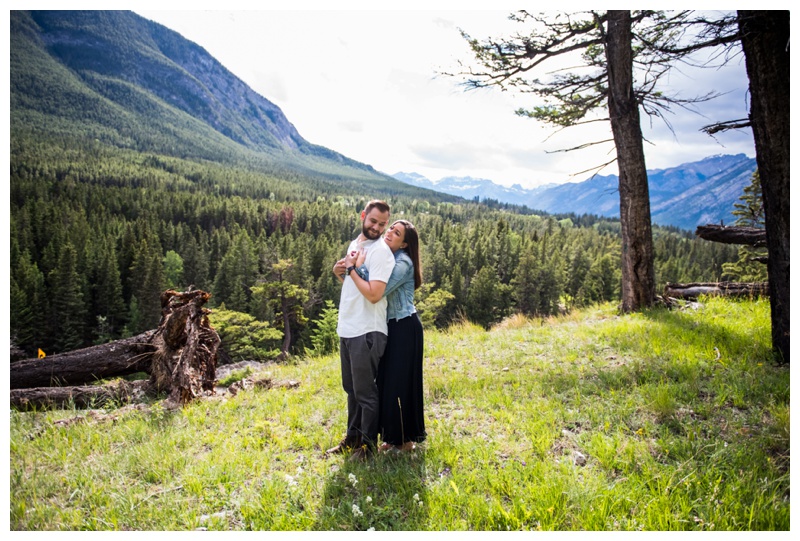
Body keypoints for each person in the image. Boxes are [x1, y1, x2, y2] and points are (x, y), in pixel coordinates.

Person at [344, 219, 426, 453]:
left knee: (400, 384)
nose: (389, 233)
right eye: (391, 228)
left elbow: (378, 291)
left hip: (405, 327)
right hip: (392, 326)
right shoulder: (390, 258)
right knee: (388, 383)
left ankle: (405, 441)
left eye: (396, 233)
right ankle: (392, 438)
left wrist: (355, 267)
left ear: (404, 244)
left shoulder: (403, 263)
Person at [326, 200, 396, 461]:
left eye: (382, 224)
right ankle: (352, 439)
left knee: (366, 393)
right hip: (349, 327)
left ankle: (367, 448)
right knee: (351, 389)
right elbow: (355, 284)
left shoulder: (380, 252)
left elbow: (375, 295)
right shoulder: (356, 244)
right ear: (363, 216)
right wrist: (340, 272)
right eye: (373, 221)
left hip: (367, 331)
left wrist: (353, 269)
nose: (377, 227)